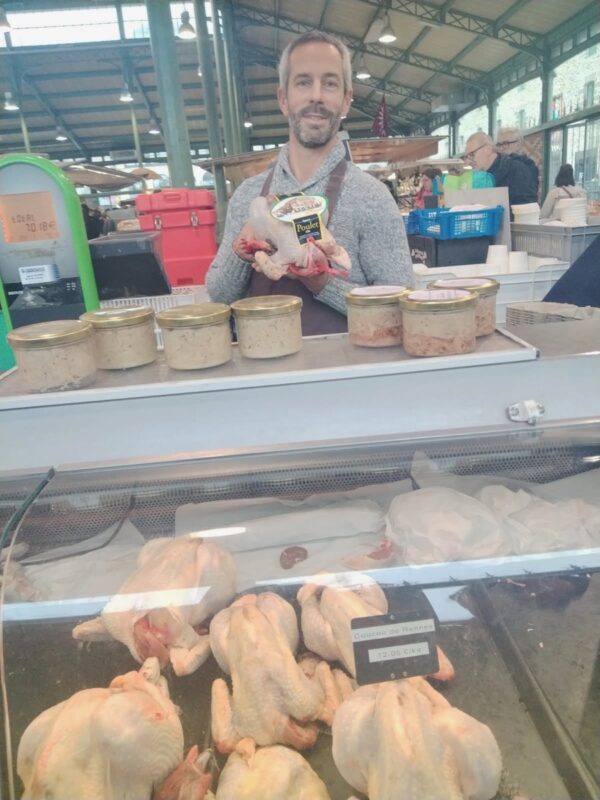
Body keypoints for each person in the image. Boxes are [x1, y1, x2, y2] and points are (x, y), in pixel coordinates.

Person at [205, 31, 414, 335]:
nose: (316, 95)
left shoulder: (372, 196)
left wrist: (322, 282)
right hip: (264, 376)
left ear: (345, 100)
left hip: (343, 377)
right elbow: (219, 296)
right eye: (303, 82)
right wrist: (242, 252)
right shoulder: (248, 196)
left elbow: (399, 306)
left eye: (329, 83)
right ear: (283, 99)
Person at [464, 132, 538, 210]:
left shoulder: (516, 169)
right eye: (466, 157)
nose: (468, 161)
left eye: (472, 154)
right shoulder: (476, 177)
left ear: (488, 150)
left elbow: (527, 206)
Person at [495, 127, 539, 192]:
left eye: (506, 143)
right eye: (499, 144)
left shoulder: (528, 166)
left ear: (519, 144)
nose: (502, 148)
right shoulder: (496, 165)